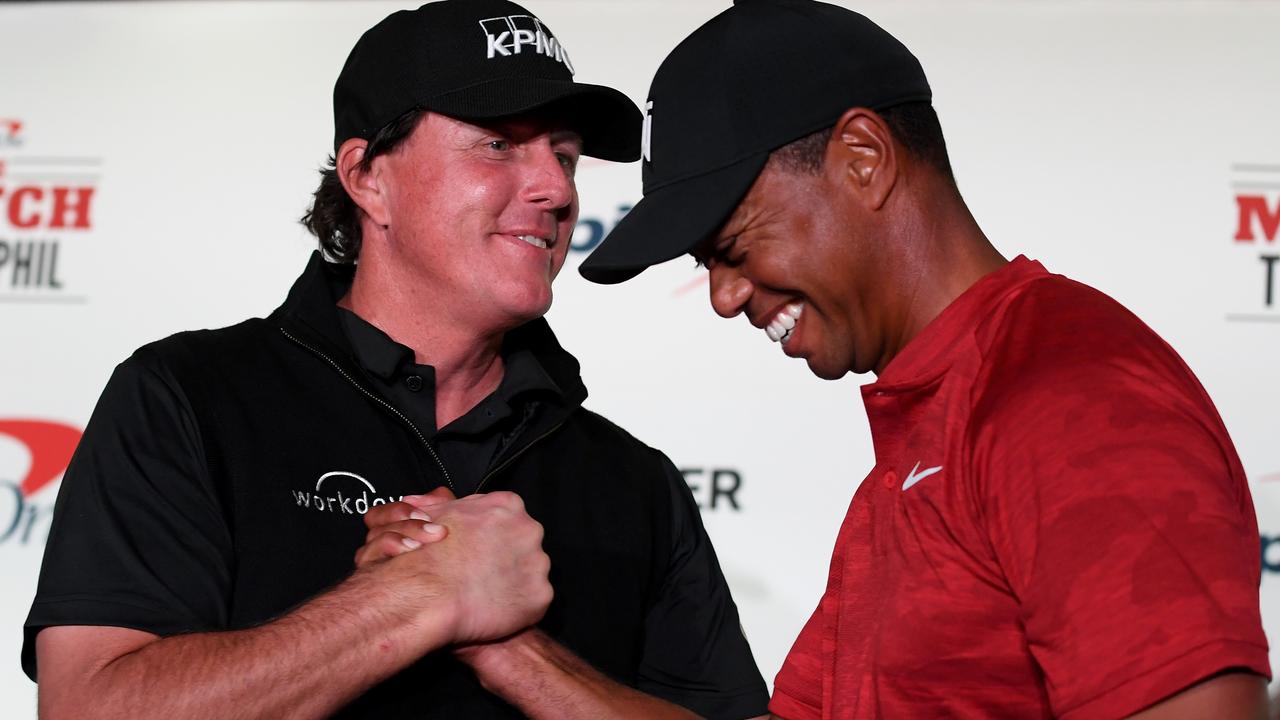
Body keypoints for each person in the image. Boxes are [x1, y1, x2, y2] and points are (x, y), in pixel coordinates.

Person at [22, 1, 770, 718]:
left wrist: (517, 656)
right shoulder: (188, 399)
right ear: (367, 178)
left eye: (565, 156)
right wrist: (413, 598)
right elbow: (92, 706)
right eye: (499, 144)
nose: (554, 189)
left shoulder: (633, 482)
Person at [579, 1, 1270, 717]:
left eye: (731, 244)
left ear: (863, 161)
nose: (722, 296)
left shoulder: (1068, 397)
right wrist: (513, 654)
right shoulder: (934, 422)